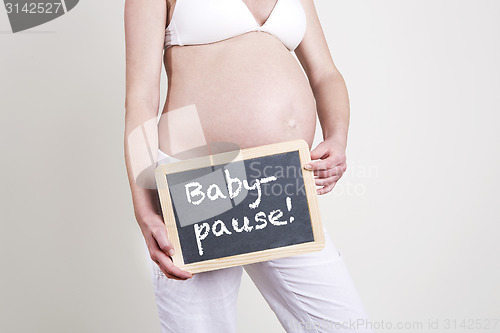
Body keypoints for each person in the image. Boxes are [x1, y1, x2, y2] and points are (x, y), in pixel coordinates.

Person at [124, 0, 374, 332]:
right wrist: (145, 212)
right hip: (198, 178)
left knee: (346, 326)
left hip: (281, 181)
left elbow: (326, 73)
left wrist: (337, 137)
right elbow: (141, 98)